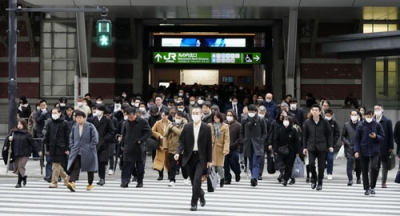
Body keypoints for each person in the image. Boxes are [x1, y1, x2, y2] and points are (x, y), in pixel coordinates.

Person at [174, 106, 212, 211]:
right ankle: (201, 193)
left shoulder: (206, 127)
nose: (195, 115)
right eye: (193, 113)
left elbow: (209, 145)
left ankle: (193, 202)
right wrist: (178, 152)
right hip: (189, 157)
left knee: (196, 180)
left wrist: (210, 160)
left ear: (201, 115)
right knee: (193, 181)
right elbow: (181, 141)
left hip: (201, 157)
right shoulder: (187, 127)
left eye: (197, 113)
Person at [67, 110, 99, 192]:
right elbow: (71, 138)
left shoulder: (90, 126)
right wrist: (72, 146)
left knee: (90, 168)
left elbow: (95, 138)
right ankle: (72, 182)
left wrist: (91, 146)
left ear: (85, 118)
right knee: (75, 166)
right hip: (76, 150)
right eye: (77, 118)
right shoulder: (75, 127)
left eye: (80, 118)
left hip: (88, 151)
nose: (78, 119)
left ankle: (90, 183)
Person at [303, 104, 333, 191]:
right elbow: (305, 135)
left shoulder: (324, 122)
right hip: (311, 147)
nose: (314, 111)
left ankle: (320, 182)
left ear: (320, 112)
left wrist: (330, 145)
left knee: (321, 166)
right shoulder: (308, 122)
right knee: (311, 164)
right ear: (311, 111)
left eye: (316, 110)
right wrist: (304, 147)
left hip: (322, 147)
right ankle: (314, 178)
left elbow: (329, 134)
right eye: (313, 110)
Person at [354, 110, 385, 195]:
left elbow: (382, 137)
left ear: (373, 116)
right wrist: (356, 150)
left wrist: (376, 136)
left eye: (371, 116)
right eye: (367, 116)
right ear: (364, 116)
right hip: (363, 150)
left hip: (375, 150)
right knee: (364, 170)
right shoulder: (360, 126)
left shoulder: (377, 125)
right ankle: (366, 188)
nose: (369, 118)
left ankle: (372, 186)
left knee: (374, 167)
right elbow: (356, 139)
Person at [120, 107, 151, 188]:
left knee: (140, 166)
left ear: (135, 115)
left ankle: (140, 181)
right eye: (128, 117)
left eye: (131, 117)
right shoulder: (126, 122)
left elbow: (148, 132)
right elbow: (124, 134)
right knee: (126, 165)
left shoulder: (142, 122)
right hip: (128, 146)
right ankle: (125, 182)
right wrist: (122, 145)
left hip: (139, 146)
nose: (130, 119)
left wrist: (141, 140)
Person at [6, 119, 42, 188]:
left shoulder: (27, 134)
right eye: (18, 124)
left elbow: (33, 143)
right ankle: (23, 177)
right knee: (16, 168)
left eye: (21, 124)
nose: (19, 126)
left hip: (25, 153)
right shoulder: (13, 132)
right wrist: (9, 138)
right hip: (16, 153)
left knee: (20, 166)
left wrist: (38, 150)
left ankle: (19, 182)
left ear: (24, 125)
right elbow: (8, 141)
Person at [240, 104, 268, 187]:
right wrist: (243, 140)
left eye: (253, 111)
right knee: (250, 162)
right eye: (250, 111)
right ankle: (253, 176)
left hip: (257, 143)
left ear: (256, 111)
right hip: (248, 143)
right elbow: (241, 132)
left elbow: (265, 132)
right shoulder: (244, 120)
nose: (251, 113)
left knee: (256, 161)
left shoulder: (260, 119)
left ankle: (254, 178)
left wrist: (261, 140)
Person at [43, 108, 70, 188]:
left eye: (55, 113)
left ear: (60, 113)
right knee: (56, 164)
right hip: (52, 146)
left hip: (61, 146)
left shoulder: (64, 123)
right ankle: (66, 177)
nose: (54, 114)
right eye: (52, 113)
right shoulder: (50, 123)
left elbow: (68, 137)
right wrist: (47, 148)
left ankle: (54, 182)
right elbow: (47, 136)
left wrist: (67, 148)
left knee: (55, 164)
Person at [90, 104, 115, 186]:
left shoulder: (107, 120)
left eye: (98, 109)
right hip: (95, 143)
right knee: (96, 161)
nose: (97, 111)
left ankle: (102, 178)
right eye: (96, 109)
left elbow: (111, 131)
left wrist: (105, 139)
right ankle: (96, 177)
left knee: (102, 162)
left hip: (104, 144)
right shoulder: (93, 119)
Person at [165, 111, 189, 186]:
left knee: (184, 165)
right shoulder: (172, 124)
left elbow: (181, 133)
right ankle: (172, 180)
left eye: (179, 118)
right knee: (172, 165)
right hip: (172, 148)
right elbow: (165, 134)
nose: (177, 119)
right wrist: (169, 127)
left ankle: (186, 178)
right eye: (176, 118)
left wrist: (173, 127)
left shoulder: (185, 124)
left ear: (182, 118)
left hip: (182, 149)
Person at [274, 117, 300, 186]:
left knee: (289, 165)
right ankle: (292, 177)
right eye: (285, 120)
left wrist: (297, 151)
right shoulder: (280, 129)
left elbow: (296, 141)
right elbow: (276, 140)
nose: (285, 121)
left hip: (291, 150)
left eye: (287, 120)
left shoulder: (293, 130)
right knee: (284, 165)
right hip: (282, 150)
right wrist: (275, 150)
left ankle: (285, 179)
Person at [373, 103, 393, 188]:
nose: (376, 110)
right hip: (373, 147)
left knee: (384, 165)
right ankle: (373, 181)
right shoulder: (371, 120)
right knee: (374, 166)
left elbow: (390, 135)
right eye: (375, 109)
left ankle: (383, 182)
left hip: (384, 146)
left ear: (382, 110)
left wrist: (391, 147)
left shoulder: (387, 121)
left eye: (378, 109)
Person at [341, 110, 362, 186]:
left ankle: (358, 177)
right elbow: (343, 136)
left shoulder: (361, 124)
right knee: (349, 163)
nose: (354, 116)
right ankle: (350, 179)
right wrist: (348, 143)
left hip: (358, 148)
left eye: (355, 114)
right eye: (352, 114)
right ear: (350, 115)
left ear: (358, 115)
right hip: (349, 147)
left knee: (358, 164)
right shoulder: (346, 125)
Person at [209, 112, 230, 187]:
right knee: (212, 166)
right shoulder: (210, 126)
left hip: (220, 149)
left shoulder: (225, 126)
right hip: (211, 148)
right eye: (215, 118)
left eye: (217, 118)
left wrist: (226, 149)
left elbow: (227, 139)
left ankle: (222, 177)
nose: (216, 119)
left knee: (219, 167)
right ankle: (214, 180)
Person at [152, 110, 172, 181]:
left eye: (166, 116)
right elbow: (152, 131)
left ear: (168, 116)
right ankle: (160, 175)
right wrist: (158, 135)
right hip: (160, 144)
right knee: (160, 159)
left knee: (168, 160)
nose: (164, 117)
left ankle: (170, 175)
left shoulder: (171, 123)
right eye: (163, 115)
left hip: (169, 144)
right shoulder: (157, 123)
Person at [224, 110, 241, 184]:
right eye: (228, 115)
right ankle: (227, 178)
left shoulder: (238, 125)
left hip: (234, 149)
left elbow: (240, 138)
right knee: (225, 164)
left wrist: (235, 144)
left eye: (230, 115)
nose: (229, 117)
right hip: (224, 148)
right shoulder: (223, 124)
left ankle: (237, 172)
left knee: (233, 162)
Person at [324, 109, 340, 180]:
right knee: (322, 159)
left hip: (331, 145)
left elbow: (337, 133)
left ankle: (329, 173)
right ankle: (322, 171)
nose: (328, 116)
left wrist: (333, 142)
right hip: (322, 144)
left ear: (331, 115)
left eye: (329, 115)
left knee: (330, 159)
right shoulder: (322, 122)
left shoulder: (334, 123)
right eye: (326, 115)